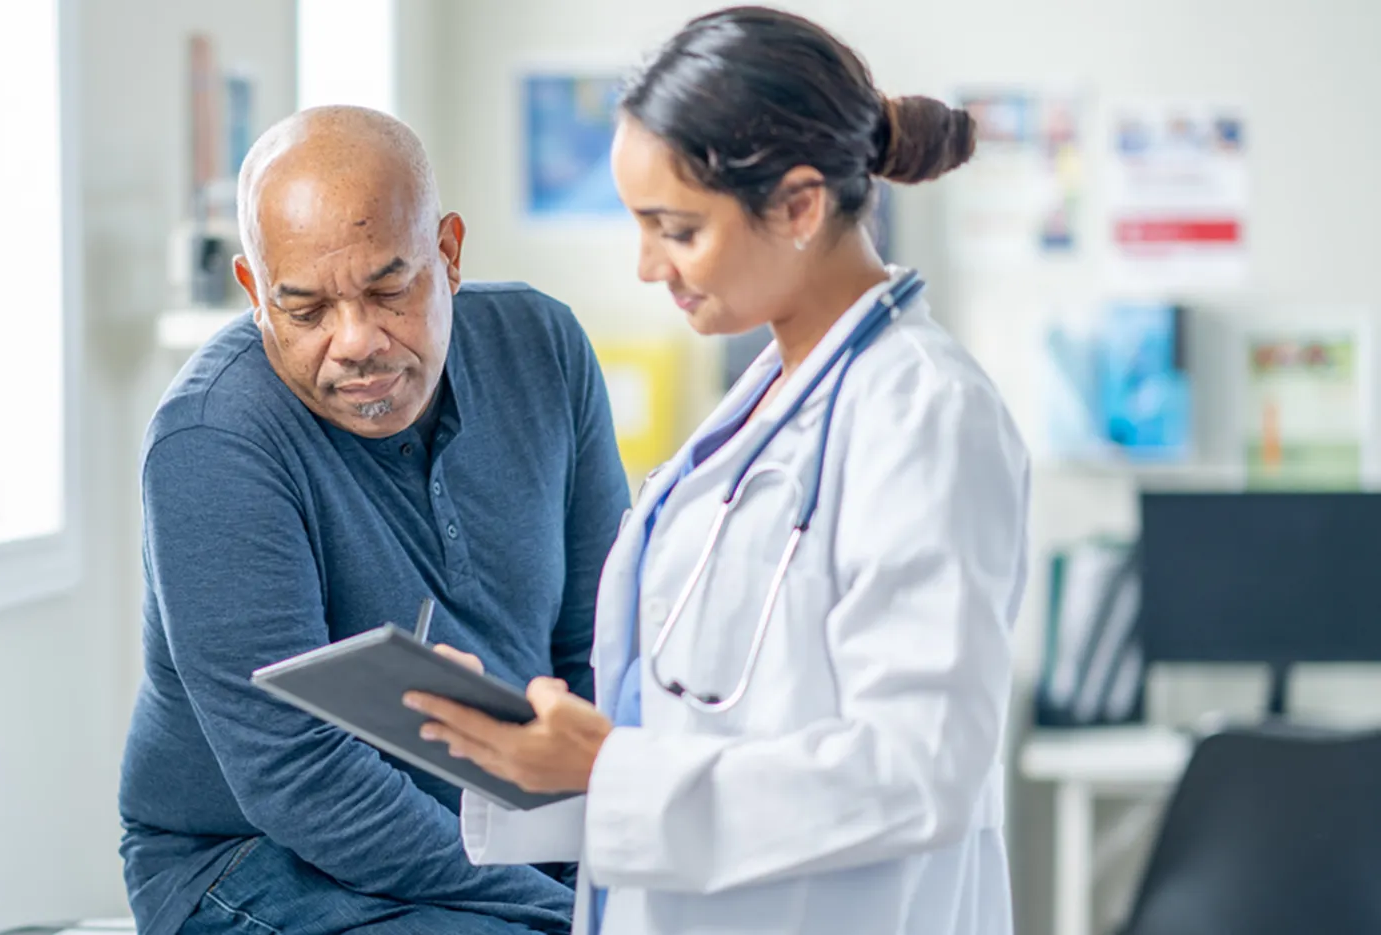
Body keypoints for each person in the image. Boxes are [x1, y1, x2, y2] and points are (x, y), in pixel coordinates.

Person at [405, 8, 1030, 934]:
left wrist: (607, 770)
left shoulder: (925, 412)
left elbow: (918, 770)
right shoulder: (767, 402)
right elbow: (693, 735)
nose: (649, 264)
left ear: (799, 205)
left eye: (678, 229)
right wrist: (534, 753)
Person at [117, 105, 630, 935]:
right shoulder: (214, 440)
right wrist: (573, 916)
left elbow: (601, 650)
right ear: (254, 293)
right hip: (257, 858)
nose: (357, 342)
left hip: (509, 833)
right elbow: (299, 773)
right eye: (307, 310)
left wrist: (618, 865)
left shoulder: (545, 348)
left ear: (450, 253)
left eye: (389, 290)